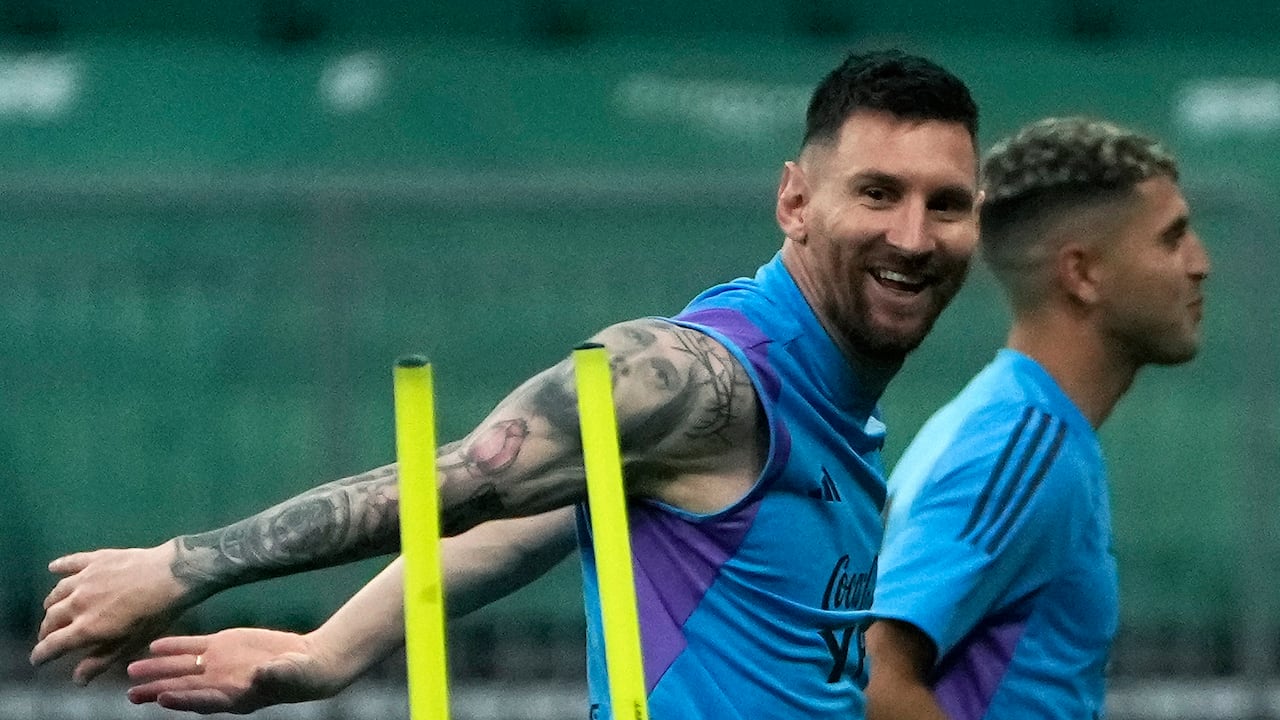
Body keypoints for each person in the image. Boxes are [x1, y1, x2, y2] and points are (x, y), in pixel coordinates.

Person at [31, 49, 983, 718]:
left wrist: (330, 652)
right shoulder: (705, 380)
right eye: (876, 193)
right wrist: (181, 567)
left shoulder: (823, 398)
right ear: (795, 201)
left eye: (946, 205)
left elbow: (529, 520)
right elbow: (460, 480)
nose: (911, 235)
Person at [863, 117, 1209, 720]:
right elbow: (874, 680)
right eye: (1171, 239)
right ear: (1082, 274)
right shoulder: (1022, 445)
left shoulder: (1023, 427)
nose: (1199, 263)